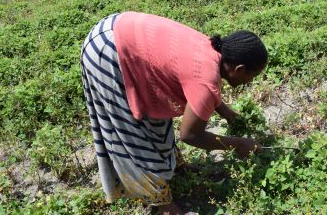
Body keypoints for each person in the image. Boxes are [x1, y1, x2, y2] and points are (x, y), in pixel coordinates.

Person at [80, 12, 268, 214]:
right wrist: (238, 144)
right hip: (108, 51)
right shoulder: (206, 79)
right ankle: (163, 205)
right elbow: (190, 135)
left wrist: (227, 112)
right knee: (135, 133)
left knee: (156, 119)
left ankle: (174, 168)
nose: (251, 81)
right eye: (253, 76)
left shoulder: (212, 49)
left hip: (120, 29)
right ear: (239, 69)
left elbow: (200, 87)